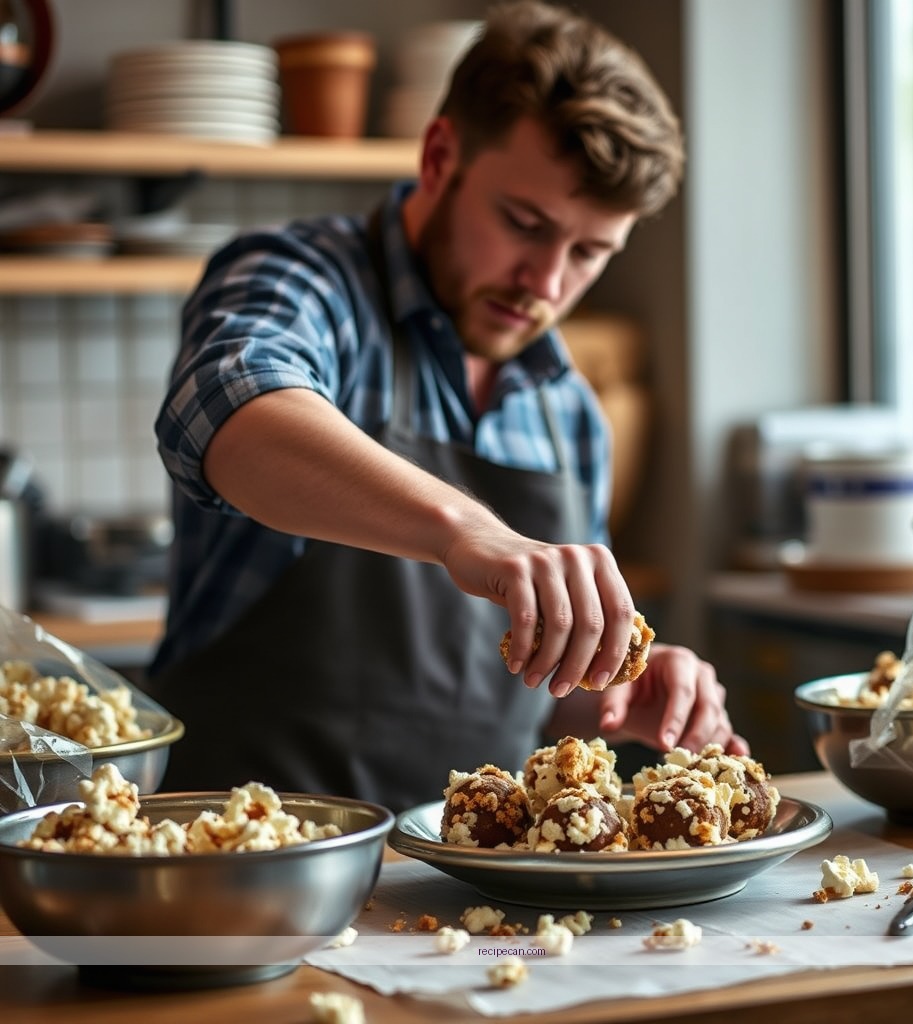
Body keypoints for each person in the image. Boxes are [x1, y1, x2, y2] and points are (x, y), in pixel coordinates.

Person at [147, 0, 747, 811]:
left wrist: (612, 689)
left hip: (465, 878)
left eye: (589, 252)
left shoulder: (568, 413)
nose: (546, 283)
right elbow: (226, 409)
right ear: (439, 157)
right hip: (252, 857)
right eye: (524, 223)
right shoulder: (305, 280)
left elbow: (539, 686)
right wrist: (468, 531)